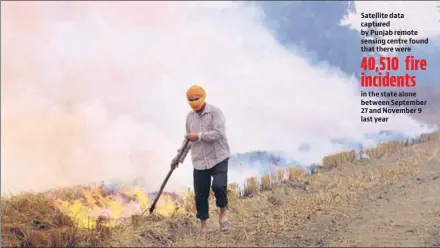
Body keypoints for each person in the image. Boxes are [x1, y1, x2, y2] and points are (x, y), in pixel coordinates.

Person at [171, 85, 231, 234]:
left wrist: (199, 135)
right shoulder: (190, 118)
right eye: (190, 99)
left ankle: (223, 210)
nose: (194, 101)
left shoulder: (215, 113)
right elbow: (188, 142)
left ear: (203, 97)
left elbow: (218, 133)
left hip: (218, 156)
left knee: (218, 186)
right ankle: (203, 227)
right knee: (200, 195)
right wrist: (178, 158)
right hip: (199, 161)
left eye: (196, 98)